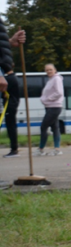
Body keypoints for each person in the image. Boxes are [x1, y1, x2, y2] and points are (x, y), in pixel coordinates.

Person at [0, 21, 26, 158]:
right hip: (6, 76)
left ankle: (14, 149)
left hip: (7, 77)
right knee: (9, 118)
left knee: (9, 117)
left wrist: (9, 42)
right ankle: (14, 149)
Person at [35, 63, 64, 156]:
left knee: (43, 127)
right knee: (55, 128)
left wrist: (47, 99)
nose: (48, 71)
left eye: (50, 69)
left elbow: (59, 93)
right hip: (50, 107)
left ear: (55, 70)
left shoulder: (56, 79)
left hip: (54, 107)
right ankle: (57, 149)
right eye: (47, 70)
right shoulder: (51, 80)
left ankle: (40, 149)